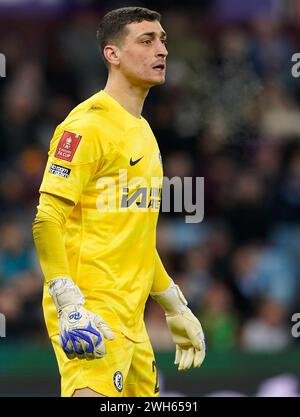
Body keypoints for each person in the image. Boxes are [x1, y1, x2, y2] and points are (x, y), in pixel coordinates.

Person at [33, 6, 205, 398]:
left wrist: (172, 302)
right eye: (146, 41)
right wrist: (67, 301)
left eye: (163, 41)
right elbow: (47, 218)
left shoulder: (144, 133)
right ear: (112, 54)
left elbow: (137, 238)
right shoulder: (86, 126)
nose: (161, 50)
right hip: (90, 309)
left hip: (133, 317)